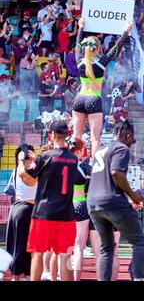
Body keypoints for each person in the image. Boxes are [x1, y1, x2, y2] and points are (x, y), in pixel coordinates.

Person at [18, 120, 78, 281]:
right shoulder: (74, 159)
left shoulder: (44, 157)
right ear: (67, 135)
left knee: (37, 254)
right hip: (66, 215)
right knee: (66, 257)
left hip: (43, 214)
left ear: (51, 135)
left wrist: (22, 162)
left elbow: (28, 177)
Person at [87, 120, 144, 281]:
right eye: (132, 141)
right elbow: (116, 173)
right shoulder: (121, 148)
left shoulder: (100, 151)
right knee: (140, 240)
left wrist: (126, 196)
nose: (131, 145)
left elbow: (101, 178)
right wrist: (133, 196)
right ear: (127, 136)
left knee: (106, 248)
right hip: (111, 201)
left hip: (93, 203)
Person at [73, 17, 133, 157]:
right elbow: (115, 48)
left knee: (77, 136)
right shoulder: (100, 64)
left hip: (80, 97)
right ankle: (94, 167)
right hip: (94, 99)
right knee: (95, 139)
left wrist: (81, 27)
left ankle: (73, 163)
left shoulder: (80, 62)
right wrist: (126, 31)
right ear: (98, 48)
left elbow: (77, 45)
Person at [5, 145, 37, 281]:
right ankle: (22, 276)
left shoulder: (16, 168)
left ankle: (18, 276)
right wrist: (35, 161)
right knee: (26, 245)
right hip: (26, 210)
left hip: (15, 209)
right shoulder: (31, 171)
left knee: (15, 245)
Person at [69, 139, 96, 281]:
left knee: (66, 247)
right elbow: (93, 184)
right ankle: (76, 278)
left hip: (64, 205)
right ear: (79, 151)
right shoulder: (84, 167)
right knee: (78, 246)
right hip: (80, 204)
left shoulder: (62, 165)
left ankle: (63, 275)